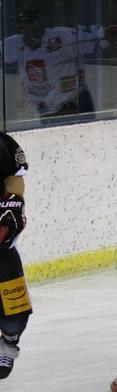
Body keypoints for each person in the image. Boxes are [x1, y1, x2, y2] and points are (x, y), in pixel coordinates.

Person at [1, 7, 117, 123]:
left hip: (75, 102)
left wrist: (106, 34)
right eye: (22, 27)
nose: (26, 30)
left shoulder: (61, 36)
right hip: (47, 110)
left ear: (38, 25)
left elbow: (95, 37)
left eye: (29, 25)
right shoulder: (15, 45)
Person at [0, 132, 32, 379]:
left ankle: (8, 345)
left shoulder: (3, 143)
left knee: (14, 318)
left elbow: (16, 180)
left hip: (3, 254)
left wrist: (11, 205)